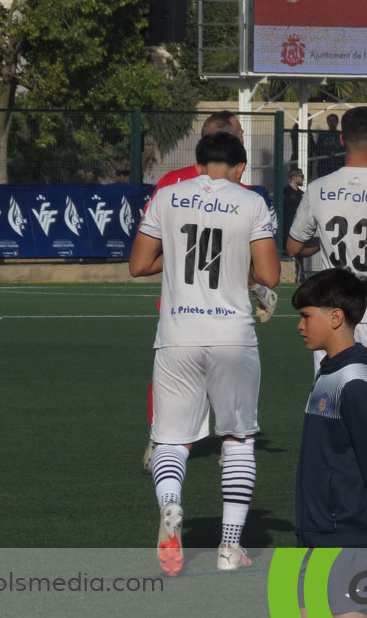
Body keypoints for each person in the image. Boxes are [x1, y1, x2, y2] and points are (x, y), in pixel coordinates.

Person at [129, 131, 281, 575]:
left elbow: (138, 264)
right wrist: (244, 267)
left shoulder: (169, 196)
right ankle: (229, 548)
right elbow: (269, 275)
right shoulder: (250, 201)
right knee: (237, 439)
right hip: (232, 336)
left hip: (177, 335)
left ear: (196, 167)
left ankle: (171, 504)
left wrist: (175, 256)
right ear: (240, 169)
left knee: (172, 440)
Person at [139, 111, 277, 475]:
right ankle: (229, 460)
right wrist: (259, 287)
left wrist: (182, 253)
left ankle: (162, 449)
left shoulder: (169, 186)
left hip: (179, 312)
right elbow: (258, 268)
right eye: (241, 134)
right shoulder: (244, 194)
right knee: (237, 433)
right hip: (228, 320)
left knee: (174, 411)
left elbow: (143, 259)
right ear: (235, 152)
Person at [286, 106, 367, 365]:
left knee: (330, 394)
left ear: (342, 139)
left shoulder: (317, 188)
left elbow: (293, 247)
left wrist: (321, 243)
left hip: (329, 312)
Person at [291, 268, 367, 617]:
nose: (300, 326)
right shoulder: (328, 371)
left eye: (306, 316)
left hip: (348, 536)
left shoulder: (356, 381)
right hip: (313, 529)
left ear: (336, 318)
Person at [281, 168, 307, 282]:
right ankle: (287, 275)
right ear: (293, 177)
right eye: (300, 176)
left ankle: (300, 274)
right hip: (287, 226)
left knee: (299, 249)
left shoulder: (301, 194)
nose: (303, 179)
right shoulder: (285, 191)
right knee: (287, 249)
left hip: (299, 226)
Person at [313, 113, 344, 179]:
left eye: (334, 121)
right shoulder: (322, 135)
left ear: (337, 122)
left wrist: (336, 153)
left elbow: (345, 149)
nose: (332, 123)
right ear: (327, 122)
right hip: (324, 167)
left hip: (338, 166)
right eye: (330, 121)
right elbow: (318, 149)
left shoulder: (341, 135)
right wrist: (327, 153)